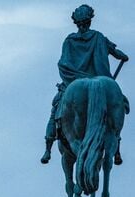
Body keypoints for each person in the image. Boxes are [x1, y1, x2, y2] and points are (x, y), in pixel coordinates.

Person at [41, 4, 129, 164]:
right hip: (99, 79)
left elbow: (63, 64)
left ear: (79, 23)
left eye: (82, 23)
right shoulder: (99, 37)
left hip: (73, 80)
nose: (82, 26)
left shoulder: (70, 40)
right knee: (118, 104)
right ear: (90, 21)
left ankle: (48, 148)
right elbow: (119, 54)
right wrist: (121, 56)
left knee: (55, 108)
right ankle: (116, 148)